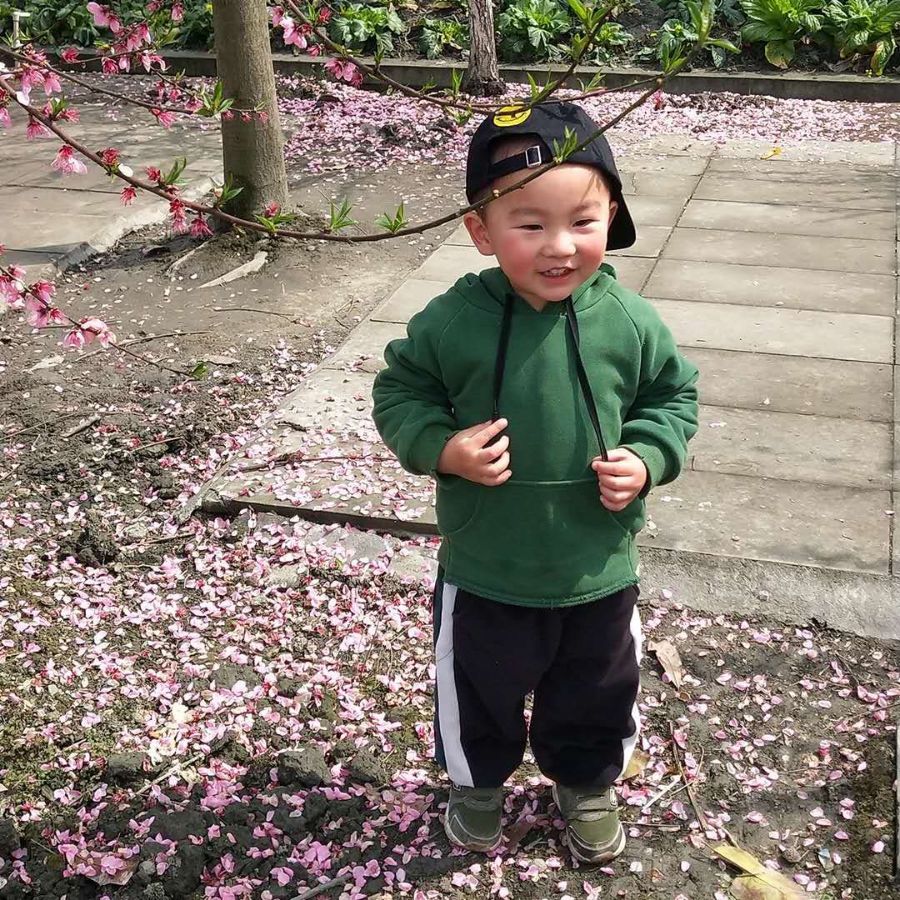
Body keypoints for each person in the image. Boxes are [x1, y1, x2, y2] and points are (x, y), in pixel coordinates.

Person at [371, 100, 699, 864]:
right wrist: (443, 449)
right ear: (481, 231)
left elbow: (672, 398)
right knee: (477, 686)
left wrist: (648, 457)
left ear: (611, 216)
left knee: (596, 685)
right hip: (486, 564)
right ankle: (477, 784)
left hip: (596, 563)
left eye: (582, 222)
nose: (559, 246)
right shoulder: (455, 319)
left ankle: (584, 782)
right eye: (530, 224)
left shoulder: (630, 321)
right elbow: (401, 390)